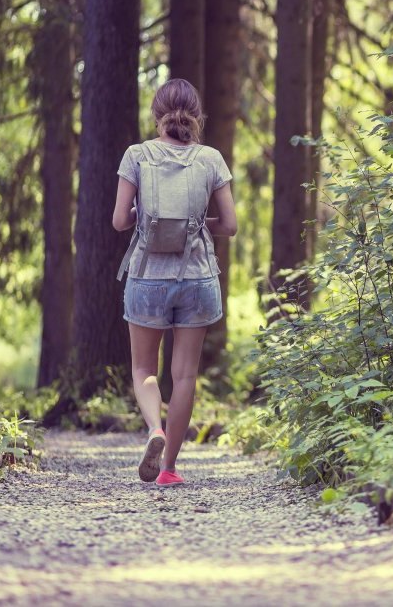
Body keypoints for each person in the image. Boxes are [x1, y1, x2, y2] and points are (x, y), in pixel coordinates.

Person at [111, 78, 237, 487]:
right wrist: (196, 226)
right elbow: (230, 226)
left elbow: (119, 221)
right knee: (184, 376)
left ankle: (154, 429)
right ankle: (169, 469)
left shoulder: (137, 155)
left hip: (147, 276)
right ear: (197, 116)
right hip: (197, 277)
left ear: (157, 114)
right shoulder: (211, 159)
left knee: (144, 368)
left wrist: (144, 219)